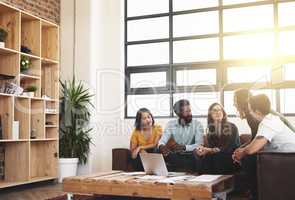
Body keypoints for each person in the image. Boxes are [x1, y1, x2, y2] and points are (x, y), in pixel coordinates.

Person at [233, 94, 295, 200]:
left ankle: (257, 195)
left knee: (248, 158)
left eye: (250, 110)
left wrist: (241, 153)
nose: (250, 113)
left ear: (257, 112)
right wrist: (242, 150)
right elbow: (256, 143)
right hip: (284, 157)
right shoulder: (270, 119)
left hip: (289, 159)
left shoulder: (269, 123)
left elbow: (252, 148)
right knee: (248, 157)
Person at [158, 99, 204, 171]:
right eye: (186, 112)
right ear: (178, 113)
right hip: (176, 155)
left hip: (190, 155)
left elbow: (199, 144)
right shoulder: (171, 124)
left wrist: (184, 147)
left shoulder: (197, 124)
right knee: (157, 150)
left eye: (190, 111)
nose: (190, 114)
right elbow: (163, 140)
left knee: (196, 155)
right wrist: (161, 146)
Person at [194, 103, 240, 174]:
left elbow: (230, 147)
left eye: (219, 110)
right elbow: (212, 148)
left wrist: (210, 150)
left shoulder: (232, 127)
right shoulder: (210, 130)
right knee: (201, 155)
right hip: (217, 155)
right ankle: (203, 181)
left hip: (230, 155)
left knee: (216, 157)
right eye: (214, 110)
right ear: (210, 115)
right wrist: (202, 150)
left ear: (223, 113)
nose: (218, 112)